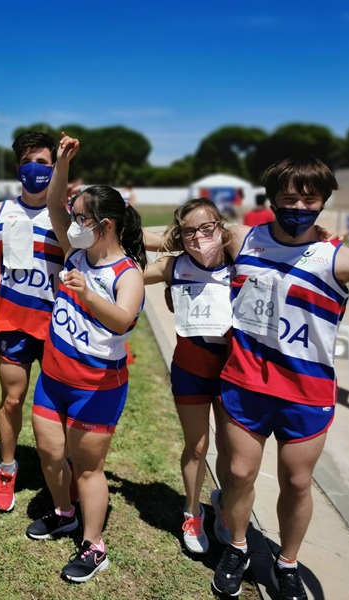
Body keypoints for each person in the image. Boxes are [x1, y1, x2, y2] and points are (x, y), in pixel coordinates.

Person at [211, 157, 349, 599]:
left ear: (323, 202)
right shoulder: (243, 238)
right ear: (272, 198)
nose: (299, 205)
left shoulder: (341, 258)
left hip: (305, 392)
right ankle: (239, 547)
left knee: (297, 482)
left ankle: (287, 563)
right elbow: (175, 237)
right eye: (288, 197)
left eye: (310, 198)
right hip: (244, 381)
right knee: (240, 473)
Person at [26, 133, 146, 583]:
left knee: (89, 469)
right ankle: (63, 512)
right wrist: (62, 163)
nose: (71, 223)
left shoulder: (126, 272)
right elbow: (54, 203)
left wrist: (87, 293)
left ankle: (94, 545)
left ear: (107, 224)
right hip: (53, 377)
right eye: (73, 218)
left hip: (96, 388)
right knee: (50, 454)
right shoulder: (76, 251)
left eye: (82, 218)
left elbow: (122, 319)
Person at [0, 130, 63, 512]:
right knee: (12, 400)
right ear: (17, 166)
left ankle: (62, 469)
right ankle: (8, 468)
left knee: (60, 406)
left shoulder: (68, 213)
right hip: (12, 323)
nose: (34, 169)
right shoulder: (1, 211)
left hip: (58, 328)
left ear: (55, 167)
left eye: (43, 162)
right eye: (27, 162)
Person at [143, 198, 232, 554]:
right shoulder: (173, 265)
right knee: (197, 446)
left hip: (232, 374)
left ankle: (224, 505)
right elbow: (124, 274)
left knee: (230, 449)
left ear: (220, 226)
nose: (198, 237)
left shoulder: (241, 263)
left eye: (206, 228)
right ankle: (192, 510)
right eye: (188, 231)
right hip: (190, 370)